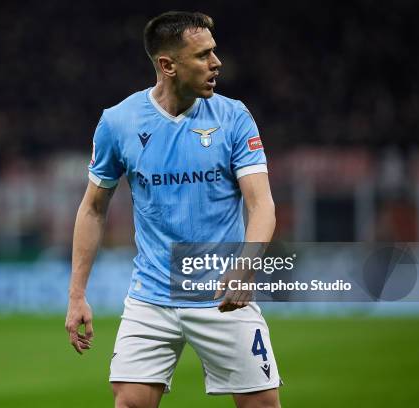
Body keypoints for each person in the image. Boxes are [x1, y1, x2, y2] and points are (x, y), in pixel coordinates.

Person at [65, 11, 281, 408]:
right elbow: (93, 209)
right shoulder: (118, 122)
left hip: (221, 295)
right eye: (203, 55)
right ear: (168, 65)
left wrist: (246, 265)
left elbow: (261, 203)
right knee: (129, 402)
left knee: (263, 405)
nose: (217, 63)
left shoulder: (234, 117)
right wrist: (77, 295)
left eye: (214, 52)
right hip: (151, 298)